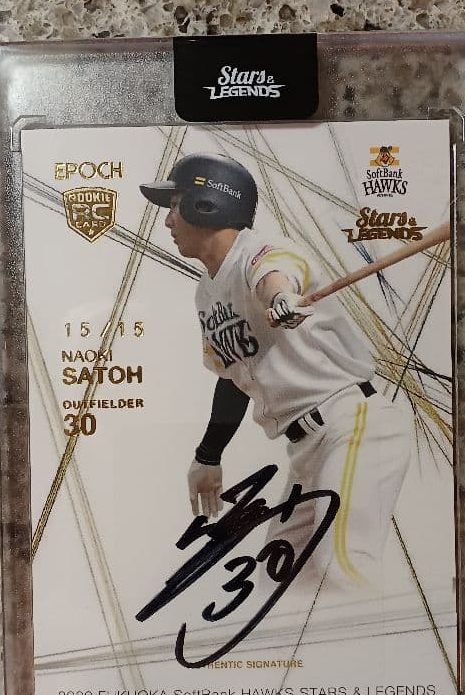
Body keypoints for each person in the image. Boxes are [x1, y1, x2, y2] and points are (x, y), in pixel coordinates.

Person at [140, 152, 412, 592]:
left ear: (206, 205)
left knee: (342, 568)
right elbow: (231, 379)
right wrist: (208, 455)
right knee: (280, 583)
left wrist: (280, 298)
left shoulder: (260, 251)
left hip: (353, 425)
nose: (168, 220)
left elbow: (276, 273)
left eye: (175, 205)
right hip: (307, 449)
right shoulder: (206, 293)